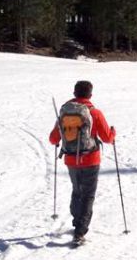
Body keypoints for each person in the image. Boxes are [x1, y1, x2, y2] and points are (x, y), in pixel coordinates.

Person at [49, 80, 116, 244]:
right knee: (88, 195)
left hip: (71, 159)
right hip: (91, 159)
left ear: (74, 93)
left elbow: (53, 139)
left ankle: (76, 221)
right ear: (90, 95)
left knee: (77, 190)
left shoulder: (65, 112)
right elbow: (107, 138)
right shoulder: (95, 112)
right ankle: (80, 232)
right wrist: (113, 132)